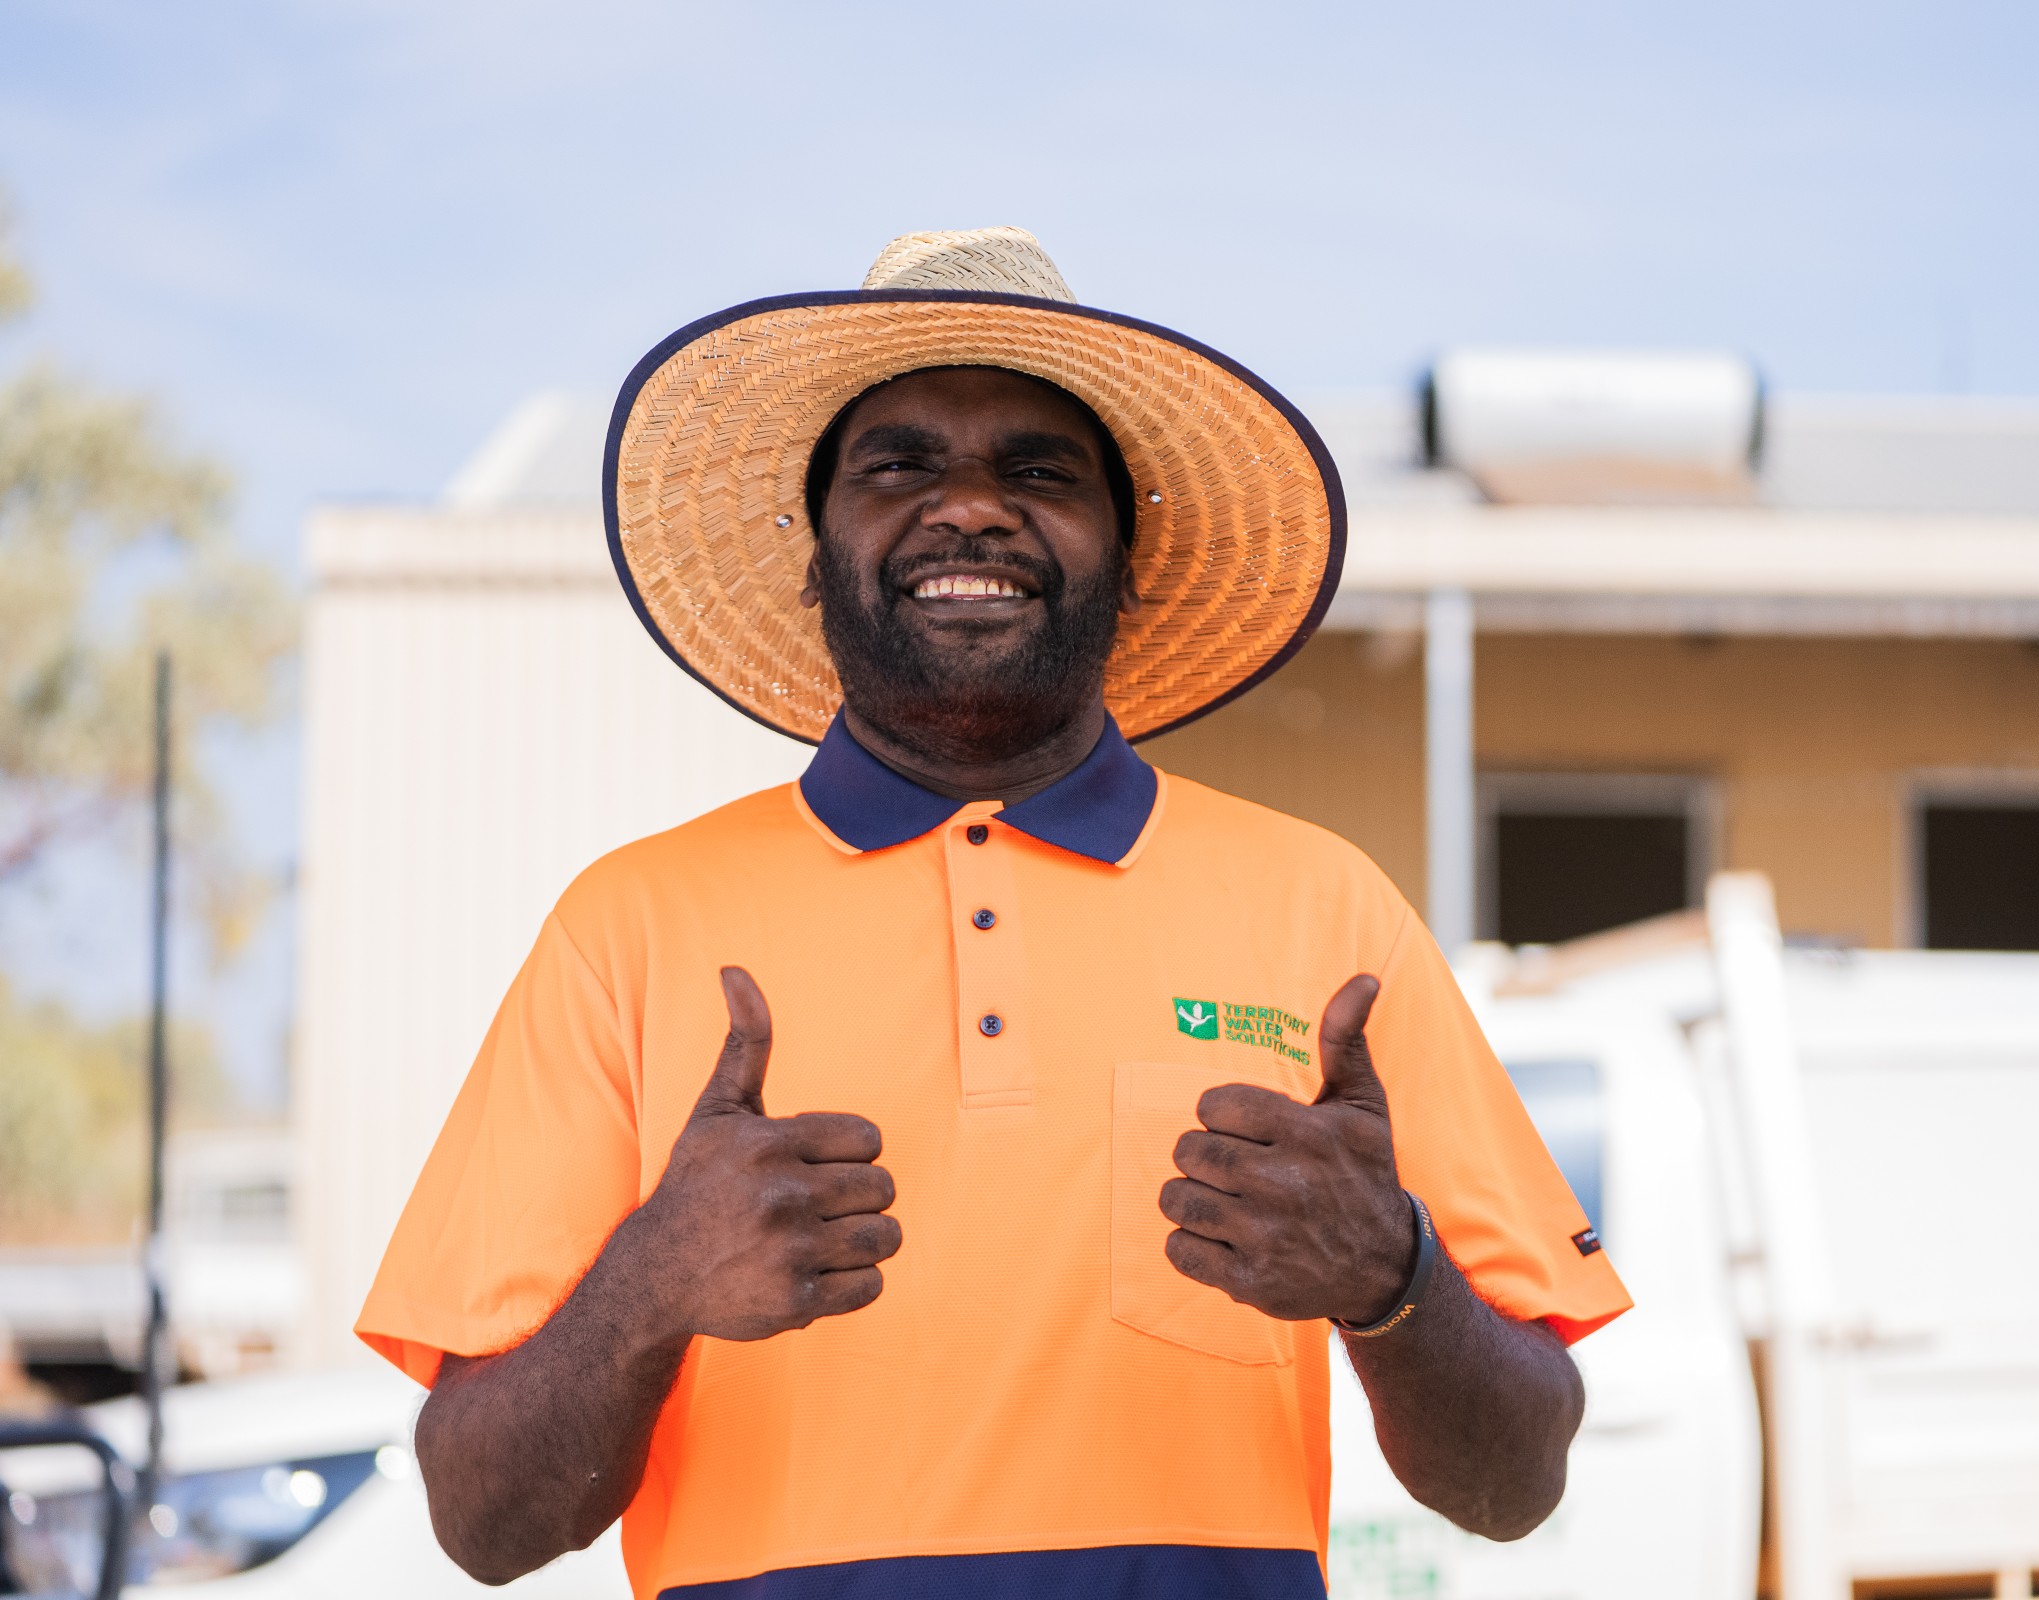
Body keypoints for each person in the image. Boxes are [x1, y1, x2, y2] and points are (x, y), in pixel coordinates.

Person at [359, 227, 1629, 1600]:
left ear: (1130, 560)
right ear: (813, 557)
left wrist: (1392, 1277)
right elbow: (482, 1526)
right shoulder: (628, 927)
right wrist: (649, 1286)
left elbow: (1517, 1485)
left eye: (1039, 470)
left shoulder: (1325, 909)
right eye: (898, 464)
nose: (970, 509)